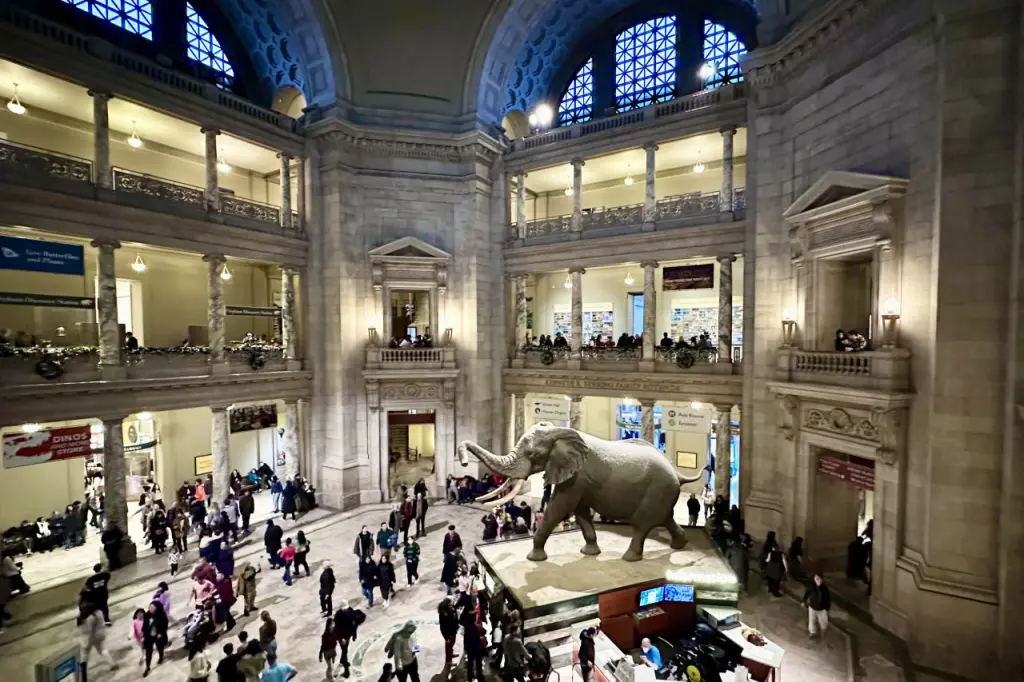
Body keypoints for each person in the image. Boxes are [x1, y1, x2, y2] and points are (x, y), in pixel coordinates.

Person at [334, 601, 365, 679]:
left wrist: (353, 634)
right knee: (344, 650)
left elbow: (355, 622)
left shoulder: (342, 613)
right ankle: (343, 662)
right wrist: (343, 637)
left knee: (344, 650)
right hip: (344, 636)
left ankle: (346, 669)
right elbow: (338, 628)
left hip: (346, 635)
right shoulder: (342, 614)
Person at [142, 600, 168, 677]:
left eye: (152, 607)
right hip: (149, 637)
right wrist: (143, 635)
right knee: (148, 652)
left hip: (158, 636)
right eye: (150, 606)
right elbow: (145, 625)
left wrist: (161, 633)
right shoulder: (147, 615)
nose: (150, 608)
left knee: (160, 647)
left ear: (157, 608)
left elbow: (165, 625)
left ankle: (161, 657)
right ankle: (147, 667)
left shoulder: (162, 615)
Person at [803, 572, 832, 637]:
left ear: (821, 580)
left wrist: (827, 609)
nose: (817, 580)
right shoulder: (812, 586)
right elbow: (807, 593)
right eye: (816, 578)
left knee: (824, 623)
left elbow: (828, 599)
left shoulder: (824, 588)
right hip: (812, 607)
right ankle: (812, 632)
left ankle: (823, 632)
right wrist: (804, 601)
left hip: (822, 609)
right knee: (812, 621)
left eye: (819, 579)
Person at [438, 597, 459, 669]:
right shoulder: (443, 613)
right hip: (449, 634)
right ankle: (448, 661)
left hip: (453, 631)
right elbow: (443, 627)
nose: (452, 604)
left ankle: (451, 654)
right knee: (448, 647)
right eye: (450, 603)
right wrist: (446, 637)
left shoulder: (451, 609)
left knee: (451, 645)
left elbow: (454, 618)